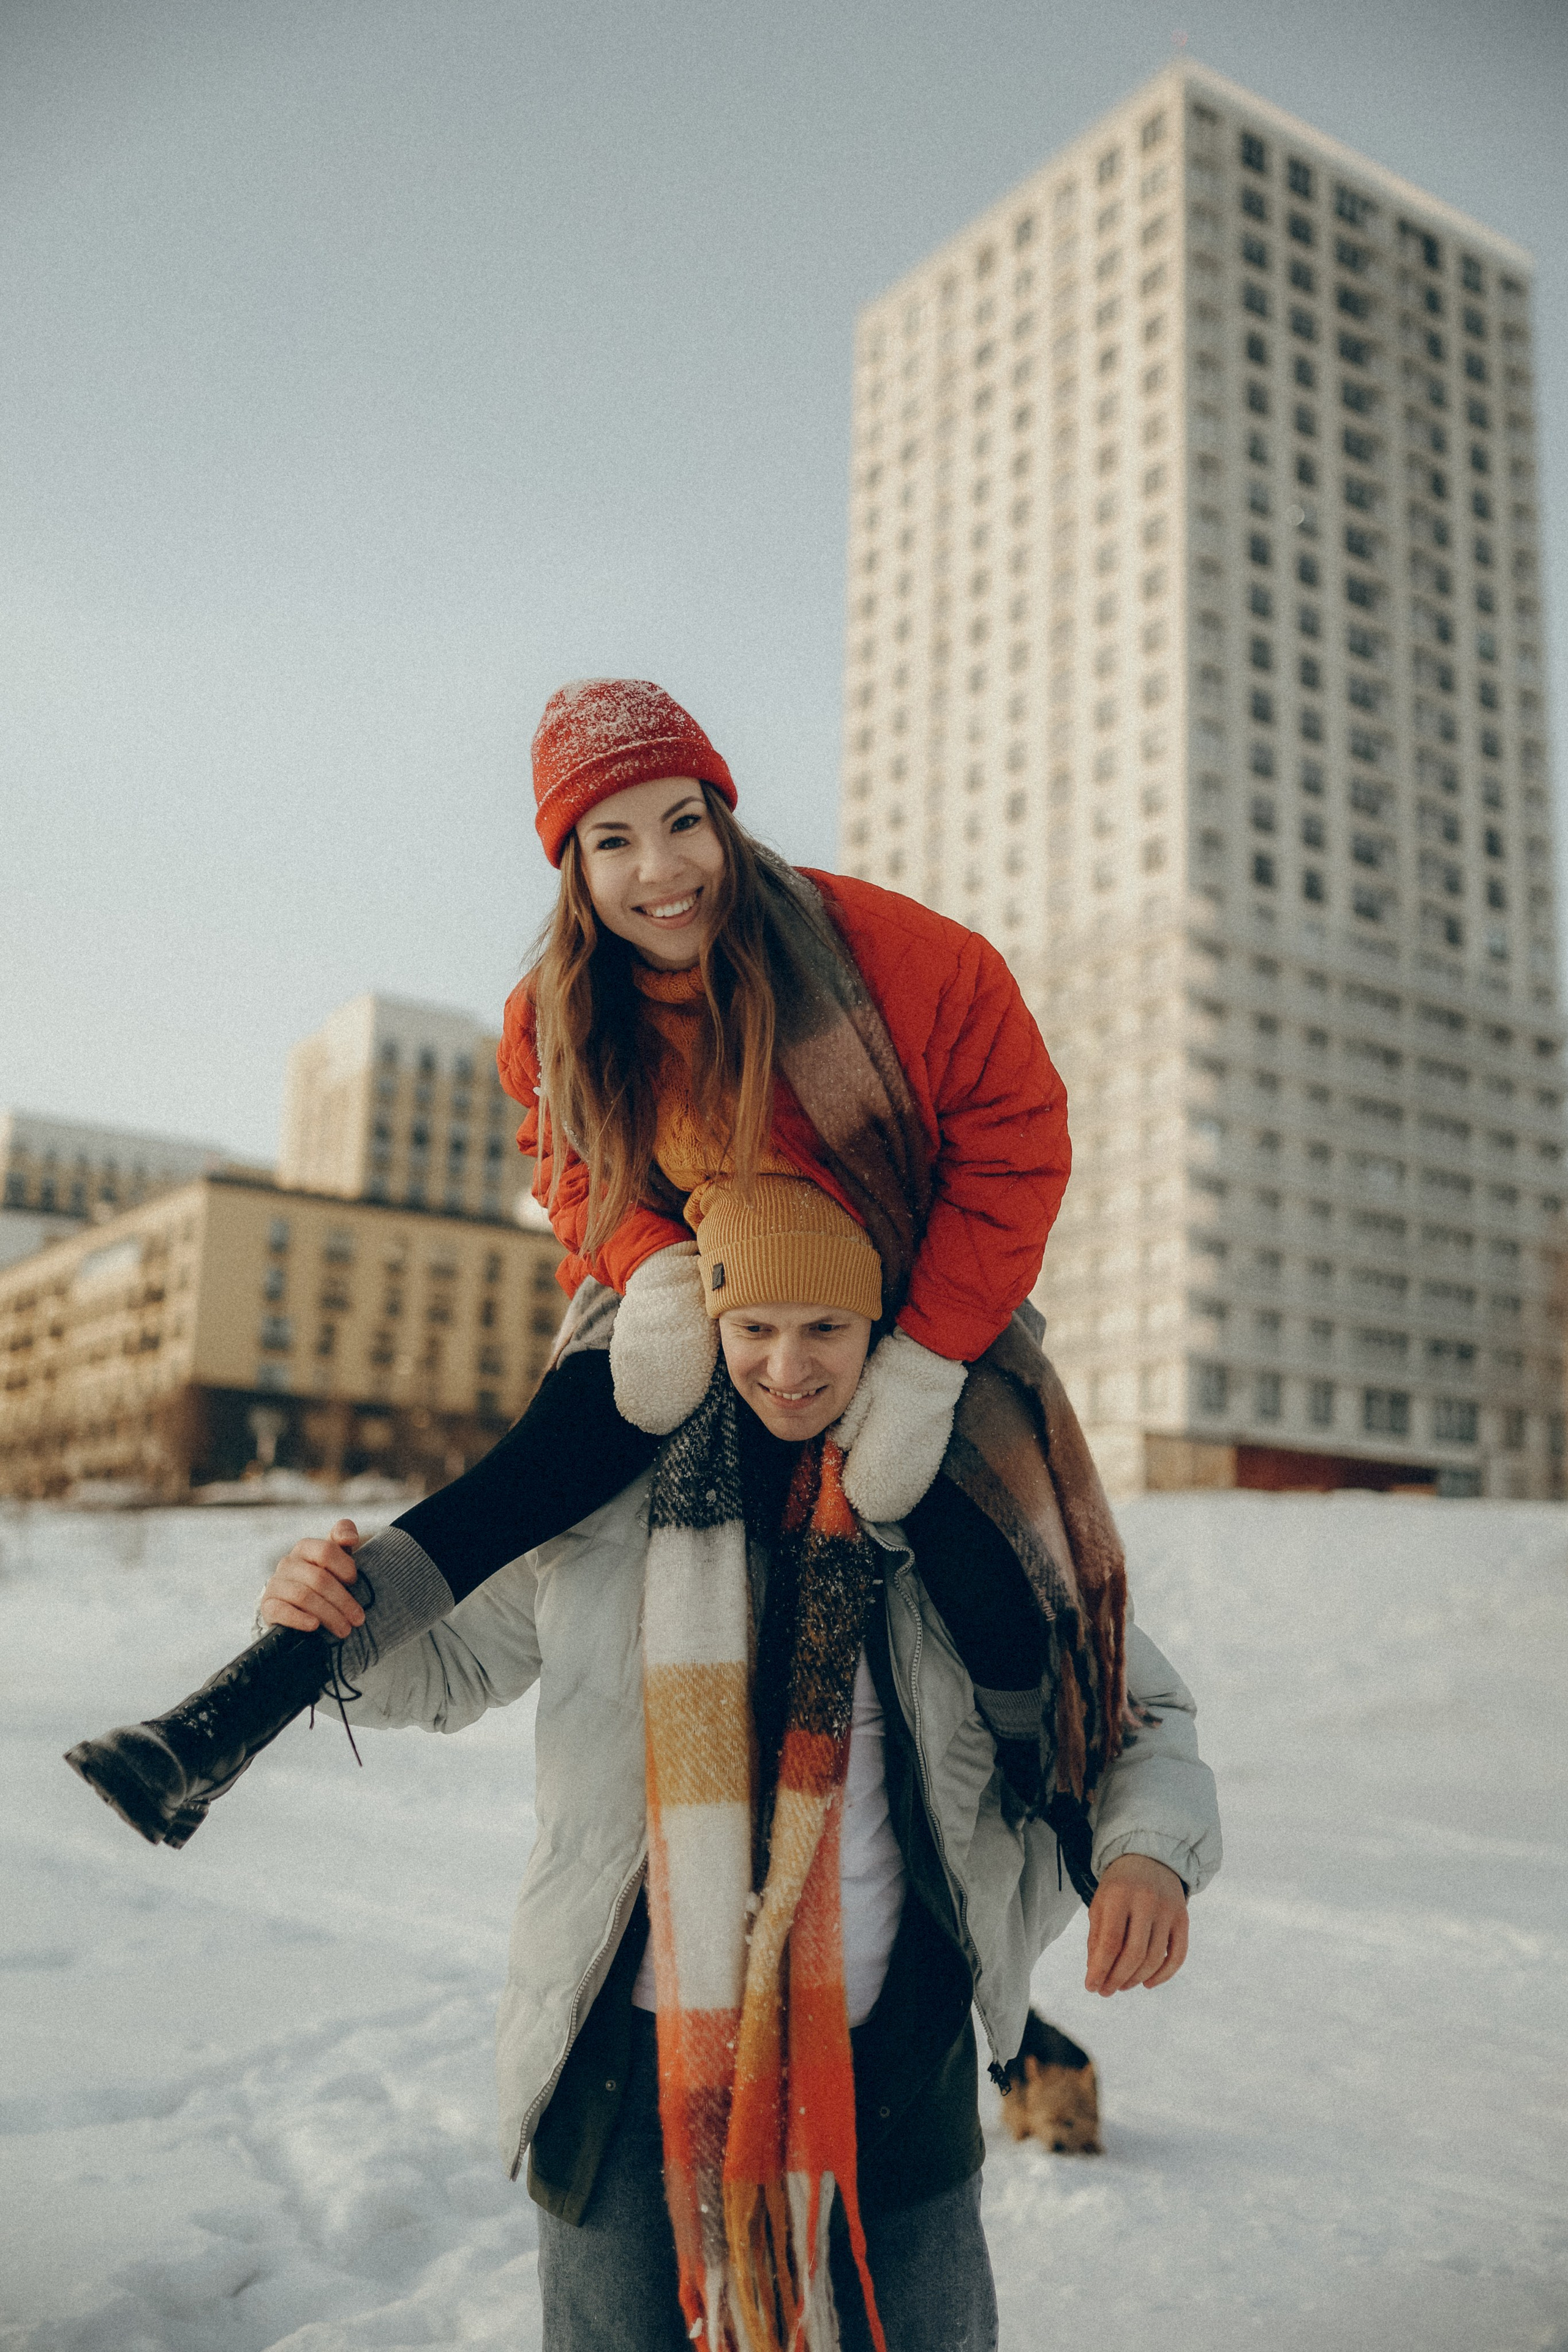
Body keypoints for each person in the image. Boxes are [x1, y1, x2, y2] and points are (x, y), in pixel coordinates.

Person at [67, 678, 1077, 1852]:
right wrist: (652, 1269)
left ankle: (1041, 1776)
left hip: (903, 1293)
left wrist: (930, 1353)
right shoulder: (556, 1018)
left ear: (723, 817)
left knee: (964, 1526)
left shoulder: (902, 961)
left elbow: (1017, 1144)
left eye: (684, 822)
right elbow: (573, 1173)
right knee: (556, 1449)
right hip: (706, 1289)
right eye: (615, 841)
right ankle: (234, 1713)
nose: (662, 869)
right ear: (575, 869)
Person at [256, 1180, 1221, 2352]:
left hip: (894, 2072)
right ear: (705, 1321)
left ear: (881, 1335)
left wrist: (1147, 1856)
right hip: (624, 2075)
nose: (788, 1367)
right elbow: (450, 1665)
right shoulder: (599, 1497)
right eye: (754, 1326)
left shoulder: (953, 1515)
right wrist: (331, 1623)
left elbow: (1131, 1708)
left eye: (827, 1328)